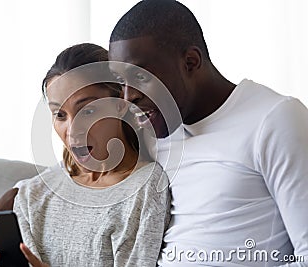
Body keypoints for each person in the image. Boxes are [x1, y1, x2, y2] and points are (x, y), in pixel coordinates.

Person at [107, 0, 308, 266]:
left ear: (190, 62)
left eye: (142, 77)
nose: (129, 97)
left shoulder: (274, 118)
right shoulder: (157, 131)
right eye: (121, 82)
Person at [0, 43, 170, 267]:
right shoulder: (32, 195)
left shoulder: (146, 188)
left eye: (87, 111)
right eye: (60, 114)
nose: (72, 130)